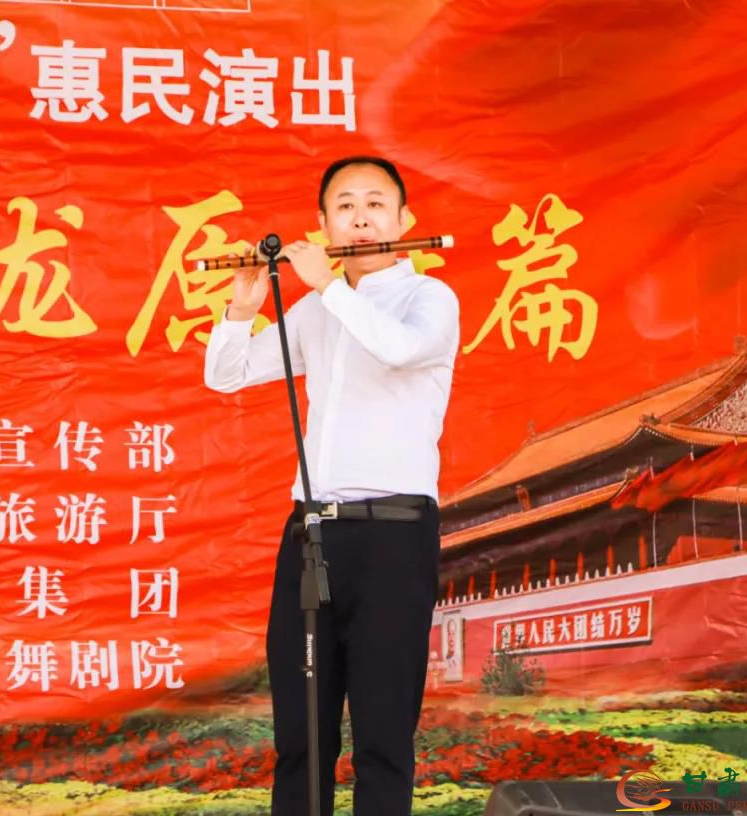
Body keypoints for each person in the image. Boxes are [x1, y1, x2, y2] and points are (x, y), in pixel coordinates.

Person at [204, 156, 460, 816]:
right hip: (311, 534)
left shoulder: (429, 299)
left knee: (383, 737)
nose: (361, 217)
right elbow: (228, 375)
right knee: (301, 737)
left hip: (394, 536)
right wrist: (241, 308)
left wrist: (328, 288)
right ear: (323, 224)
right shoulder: (316, 310)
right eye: (345, 206)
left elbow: (398, 349)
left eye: (375, 204)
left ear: (403, 219)